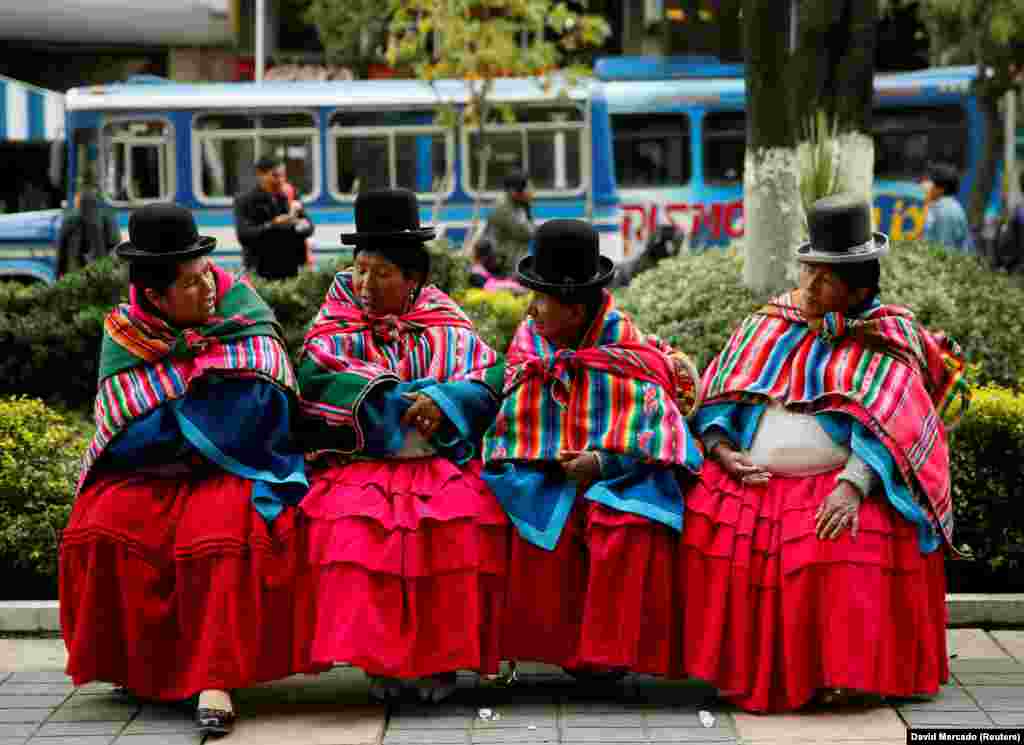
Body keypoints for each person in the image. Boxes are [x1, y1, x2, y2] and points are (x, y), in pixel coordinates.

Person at [677, 195, 970, 712]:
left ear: (857, 288)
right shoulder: (772, 321)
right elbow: (725, 396)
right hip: (753, 475)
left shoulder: (888, 337)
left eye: (824, 280)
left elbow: (895, 426)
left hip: (846, 478)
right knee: (704, 519)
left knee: (838, 542)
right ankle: (738, 668)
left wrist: (853, 485)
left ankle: (844, 673)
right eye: (807, 272)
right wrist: (721, 449)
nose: (808, 288)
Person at [59, 204, 317, 736]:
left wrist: (185, 425)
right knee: (100, 528)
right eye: (192, 284)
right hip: (155, 469)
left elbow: (262, 408)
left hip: (239, 461)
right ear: (154, 297)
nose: (209, 290)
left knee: (220, 537)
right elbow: (124, 428)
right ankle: (139, 669)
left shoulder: (243, 310)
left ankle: (214, 678)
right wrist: (183, 424)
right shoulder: (126, 331)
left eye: (207, 275)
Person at [296, 188, 507, 703]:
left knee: (458, 527)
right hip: (362, 462)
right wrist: (395, 403)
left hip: (437, 462)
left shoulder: (444, 318)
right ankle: (383, 663)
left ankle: (440, 663)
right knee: (359, 532)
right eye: (360, 269)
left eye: (382, 273)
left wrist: (445, 400)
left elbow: (489, 375)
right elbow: (316, 376)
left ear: (413, 279)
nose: (364, 284)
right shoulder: (336, 317)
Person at [479, 219, 704, 679]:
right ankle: (561, 649)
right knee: (523, 515)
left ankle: (607, 656)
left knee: (621, 522)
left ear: (576, 311)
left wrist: (602, 462)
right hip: (542, 469)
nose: (532, 310)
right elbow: (516, 418)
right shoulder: (532, 345)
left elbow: (655, 429)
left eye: (541, 299)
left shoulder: (625, 349)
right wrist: (543, 459)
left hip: (625, 472)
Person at [234, 156, 315, 279]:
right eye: (275, 176)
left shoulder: (290, 195)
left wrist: (297, 223)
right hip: (260, 271)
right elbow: (244, 235)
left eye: (283, 176)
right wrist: (273, 225)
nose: (281, 180)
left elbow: (309, 227)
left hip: (291, 270)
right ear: (260, 174)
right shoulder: (245, 200)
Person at [56, 190, 121, 278]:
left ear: (78, 204)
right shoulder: (106, 218)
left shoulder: (69, 221)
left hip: (75, 275)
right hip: (100, 272)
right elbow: (114, 241)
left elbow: (61, 253)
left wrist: (58, 275)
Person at [482, 169, 534, 276]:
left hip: (514, 260)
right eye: (528, 188)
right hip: (506, 265)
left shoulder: (518, 204)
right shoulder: (503, 207)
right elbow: (525, 232)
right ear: (514, 191)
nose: (531, 191)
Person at [922, 162, 974, 254]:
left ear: (941, 189)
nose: (929, 188)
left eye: (932, 184)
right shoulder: (955, 207)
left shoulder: (940, 210)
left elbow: (940, 248)